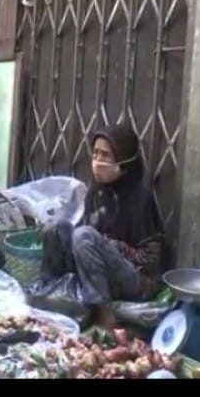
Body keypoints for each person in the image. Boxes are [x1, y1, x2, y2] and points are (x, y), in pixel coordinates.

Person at [39, 122, 163, 329]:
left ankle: (103, 315)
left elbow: (152, 261)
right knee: (57, 228)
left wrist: (112, 247)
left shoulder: (140, 198)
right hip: (98, 272)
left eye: (105, 155)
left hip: (134, 280)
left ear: (123, 160)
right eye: (95, 153)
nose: (97, 161)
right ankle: (49, 291)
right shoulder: (96, 193)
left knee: (84, 236)